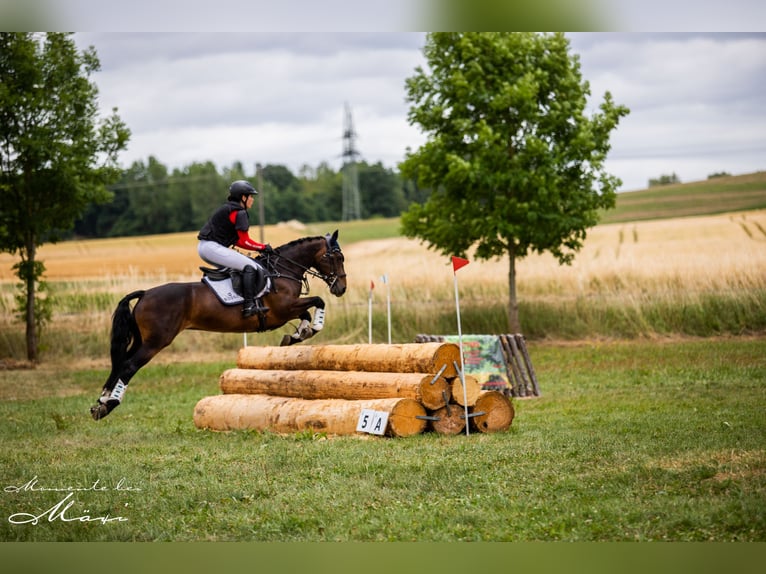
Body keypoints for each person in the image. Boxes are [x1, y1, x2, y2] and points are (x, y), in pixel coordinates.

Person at [198, 180, 272, 317]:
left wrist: (260, 248)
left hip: (206, 247)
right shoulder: (239, 212)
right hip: (212, 247)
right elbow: (244, 241)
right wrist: (263, 247)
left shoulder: (230, 209)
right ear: (243, 198)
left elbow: (237, 241)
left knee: (240, 265)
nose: (252, 200)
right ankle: (249, 306)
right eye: (250, 196)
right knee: (251, 266)